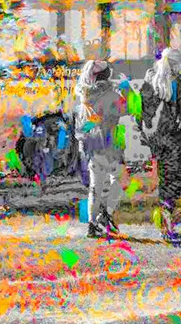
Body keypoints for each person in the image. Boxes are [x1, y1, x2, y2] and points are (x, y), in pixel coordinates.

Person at [140, 48, 181, 241]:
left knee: (164, 177)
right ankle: (166, 222)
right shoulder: (180, 84)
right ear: (177, 63)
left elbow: (142, 110)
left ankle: (165, 225)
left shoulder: (150, 80)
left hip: (156, 138)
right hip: (175, 138)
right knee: (176, 179)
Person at [74, 60, 128, 238]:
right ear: (107, 75)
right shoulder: (112, 95)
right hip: (110, 145)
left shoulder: (83, 96)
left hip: (92, 147)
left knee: (95, 186)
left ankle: (92, 224)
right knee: (120, 179)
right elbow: (128, 109)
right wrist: (125, 88)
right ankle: (107, 213)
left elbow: (82, 127)